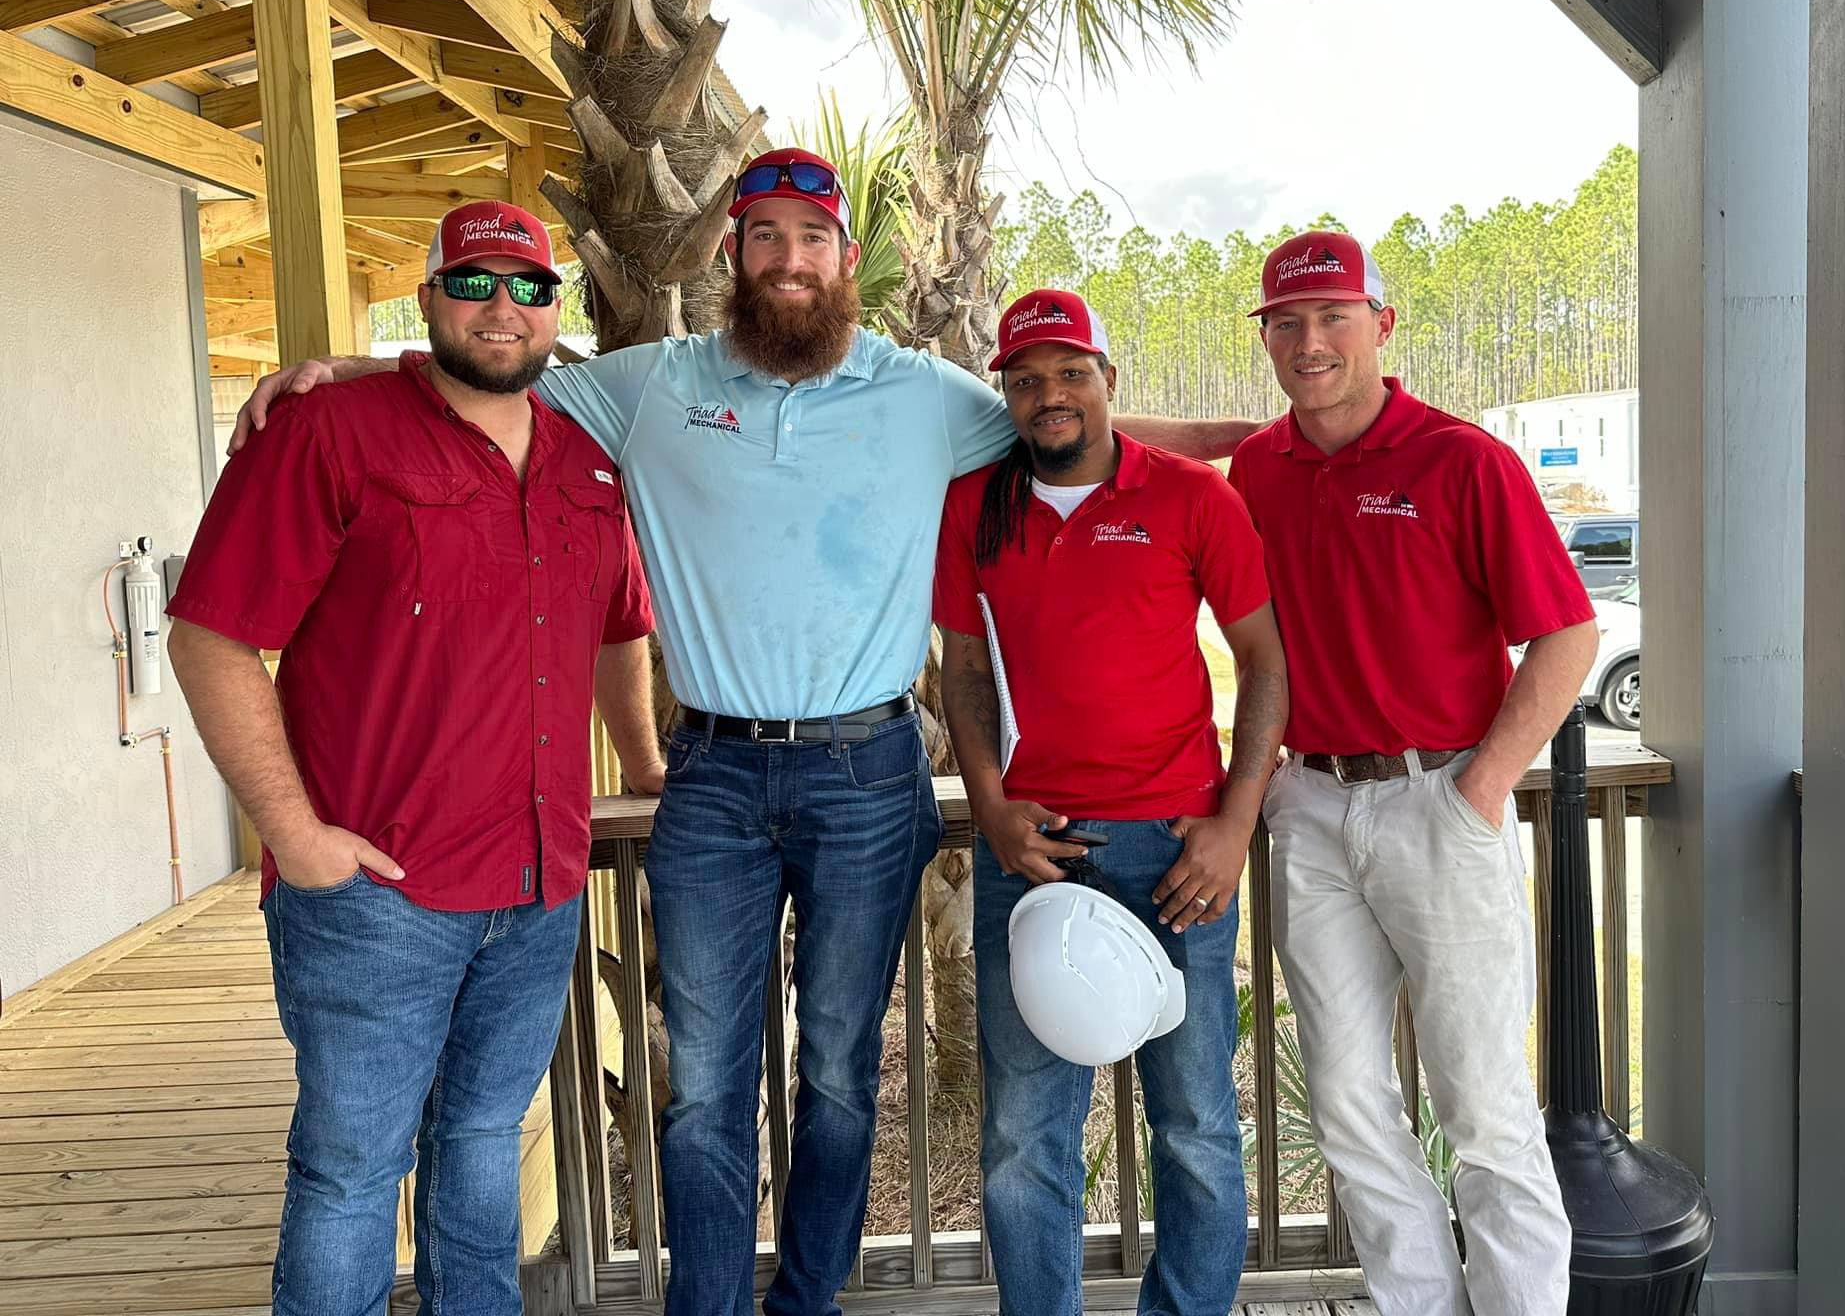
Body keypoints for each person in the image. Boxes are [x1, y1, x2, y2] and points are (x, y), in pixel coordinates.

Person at [229, 149, 1253, 1316]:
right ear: (733, 253)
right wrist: (341, 371)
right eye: (762, 237)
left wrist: (1268, 437)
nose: (786, 260)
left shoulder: (921, 393)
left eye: (808, 239)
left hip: (869, 772)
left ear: (844, 259)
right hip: (711, 775)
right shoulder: (649, 384)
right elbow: (488, 370)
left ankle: (804, 1300)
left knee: (837, 1077)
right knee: (707, 1083)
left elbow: (1070, 418)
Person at [167, 200, 663, 1316]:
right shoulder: (328, 432)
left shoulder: (588, 455)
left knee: (484, 1145)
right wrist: (293, 837)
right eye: (475, 283)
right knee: (350, 1175)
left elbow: (620, 625)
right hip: (374, 895)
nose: (503, 308)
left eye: (528, 288)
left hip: (537, 886)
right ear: (429, 296)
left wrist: (640, 764)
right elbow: (208, 634)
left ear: (554, 315)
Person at [1227, 230, 1598, 1316]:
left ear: (1381, 325)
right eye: (1285, 324)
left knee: (1481, 1104)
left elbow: (1566, 635)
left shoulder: (1460, 459)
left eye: (1332, 317)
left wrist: (1479, 786)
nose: (1309, 342)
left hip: (1439, 800)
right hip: (1311, 805)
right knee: (1346, 1100)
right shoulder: (1259, 469)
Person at [933, 288, 1288, 1316]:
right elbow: (961, 671)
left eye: (1069, 372)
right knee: (1022, 1134)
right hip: (1036, 852)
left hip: (1177, 851)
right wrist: (991, 805)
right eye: (1027, 379)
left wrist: (1235, 820)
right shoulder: (974, 507)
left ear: (1107, 381)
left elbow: (1262, 662)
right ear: (1005, 393)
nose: (1050, 395)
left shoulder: (1189, 498)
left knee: (1195, 1124)